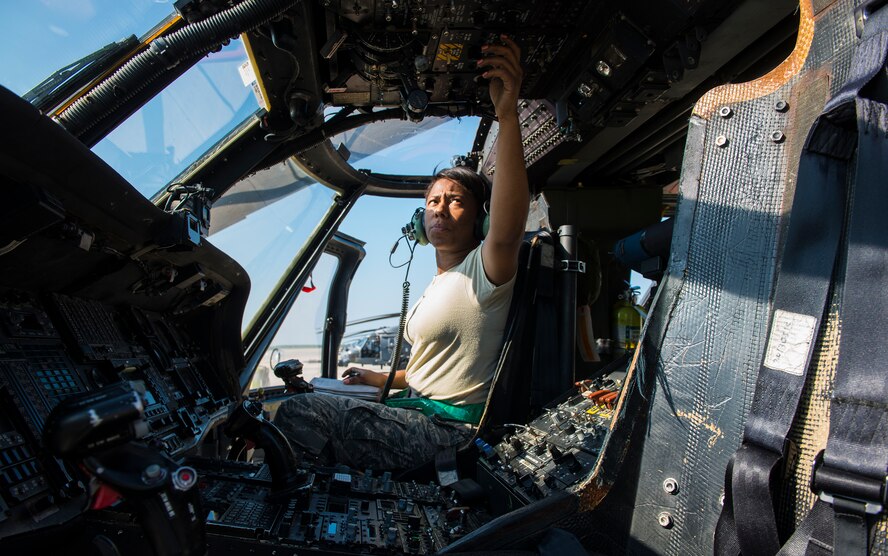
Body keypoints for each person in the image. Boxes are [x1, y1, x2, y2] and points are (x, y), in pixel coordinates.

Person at [273, 35, 529, 470]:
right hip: (419, 410)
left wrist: (506, 117)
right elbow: (434, 369)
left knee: (299, 414)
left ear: (479, 220)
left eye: (455, 200)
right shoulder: (440, 283)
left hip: (452, 432)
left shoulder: (485, 270)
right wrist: (377, 378)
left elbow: (508, 227)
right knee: (310, 396)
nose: (440, 209)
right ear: (419, 220)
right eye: (432, 201)